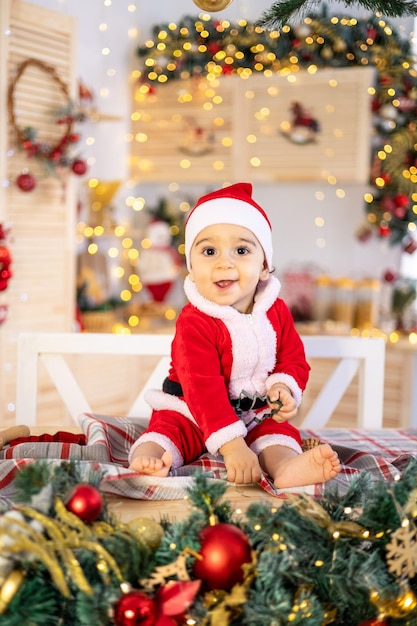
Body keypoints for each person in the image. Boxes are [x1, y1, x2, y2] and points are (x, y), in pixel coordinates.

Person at [129, 182, 341, 488]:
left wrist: (283, 386)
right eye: (209, 251)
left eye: (241, 250)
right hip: (191, 408)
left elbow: (293, 358)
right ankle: (149, 460)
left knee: (276, 436)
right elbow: (202, 388)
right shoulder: (194, 321)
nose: (224, 262)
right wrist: (232, 447)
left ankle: (285, 468)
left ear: (264, 266)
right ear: (191, 267)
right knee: (167, 432)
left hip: (253, 413)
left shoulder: (277, 311)